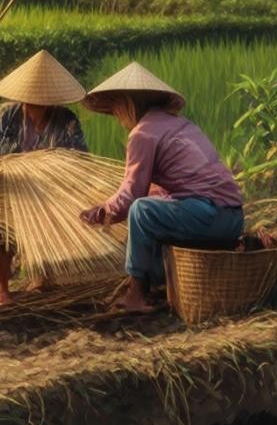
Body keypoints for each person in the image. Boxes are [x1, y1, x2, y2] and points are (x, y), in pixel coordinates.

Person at [78, 62, 244, 314]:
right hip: (231, 219)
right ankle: (159, 284)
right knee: (152, 210)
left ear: (129, 104)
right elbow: (169, 191)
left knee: (142, 211)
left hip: (210, 215)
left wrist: (101, 212)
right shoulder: (180, 125)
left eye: (117, 108)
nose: (117, 116)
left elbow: (131, 196)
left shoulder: (142, 134)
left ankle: (137, 294)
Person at [0, 50, 89, 306]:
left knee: (49, 217)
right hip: (7, 190)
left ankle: (40, 276)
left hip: (47, 191)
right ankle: (0, 288)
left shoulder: (66, 120)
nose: (39, 102)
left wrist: (45, 168)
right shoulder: (5, 116)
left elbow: (78, 159)